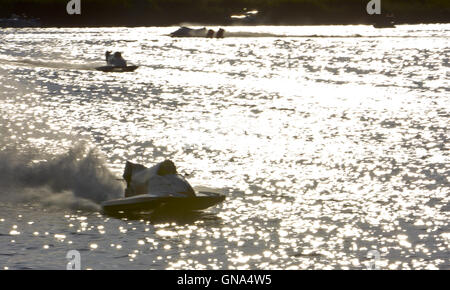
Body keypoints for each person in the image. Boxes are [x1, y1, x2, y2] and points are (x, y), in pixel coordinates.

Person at [123, 160, 196, 198]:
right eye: (168, 167)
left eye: (171, 167)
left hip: (174, 195)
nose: (170, 168)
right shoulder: (156, 178)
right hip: (142, 185)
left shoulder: (175, 177)